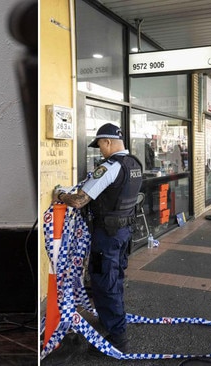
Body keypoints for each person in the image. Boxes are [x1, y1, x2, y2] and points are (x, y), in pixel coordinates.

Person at [52, 123, 142, 353]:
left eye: (100, 145)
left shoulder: (110, 167)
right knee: (115, 277)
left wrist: (60, 194)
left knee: (104, 281)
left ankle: (118, 337)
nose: (100, 150)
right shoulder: (134, 164)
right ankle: (109, 319)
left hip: (107, 235)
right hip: (123, 233)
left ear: (108, 142)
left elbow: (80, 200)